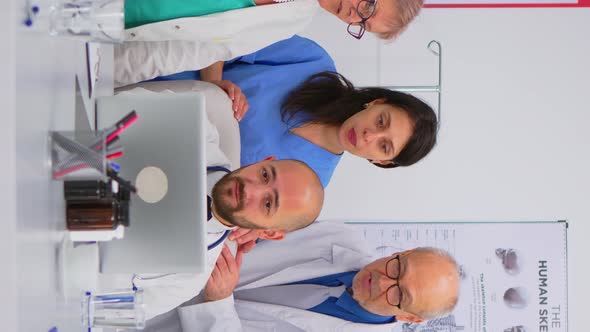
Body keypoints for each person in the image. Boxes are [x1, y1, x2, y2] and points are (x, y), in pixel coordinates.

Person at [98, 86, 325, 321]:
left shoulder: (188, 278)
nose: (251, 189)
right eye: (265, 175)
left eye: (268, 204)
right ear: (265, 160)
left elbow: (107, 314)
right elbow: (100, 111)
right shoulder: (193, 124)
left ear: (268, 232)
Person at [153, 36, 438, 187]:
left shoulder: (309, 184)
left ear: (382, 162)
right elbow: (223, 37)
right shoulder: (311, 61)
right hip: (152, 76)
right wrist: (214, 85)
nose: (368, 135)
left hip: (156, 157)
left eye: (383, 145)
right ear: (376, 103)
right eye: (381, 121)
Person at [137, 221, 460, 331]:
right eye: (398, 267)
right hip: (153, 265)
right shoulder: (340, 237)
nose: (382, 281)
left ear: (410, 318)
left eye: (399, 294)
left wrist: (217, 304)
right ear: (401, 252)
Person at [115, 0, 425, 88]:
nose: (353, 16)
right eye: (368, 5)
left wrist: (103, 72)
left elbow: (185, 53)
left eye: (363, 24)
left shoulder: (289, 23)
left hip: (104, 23)